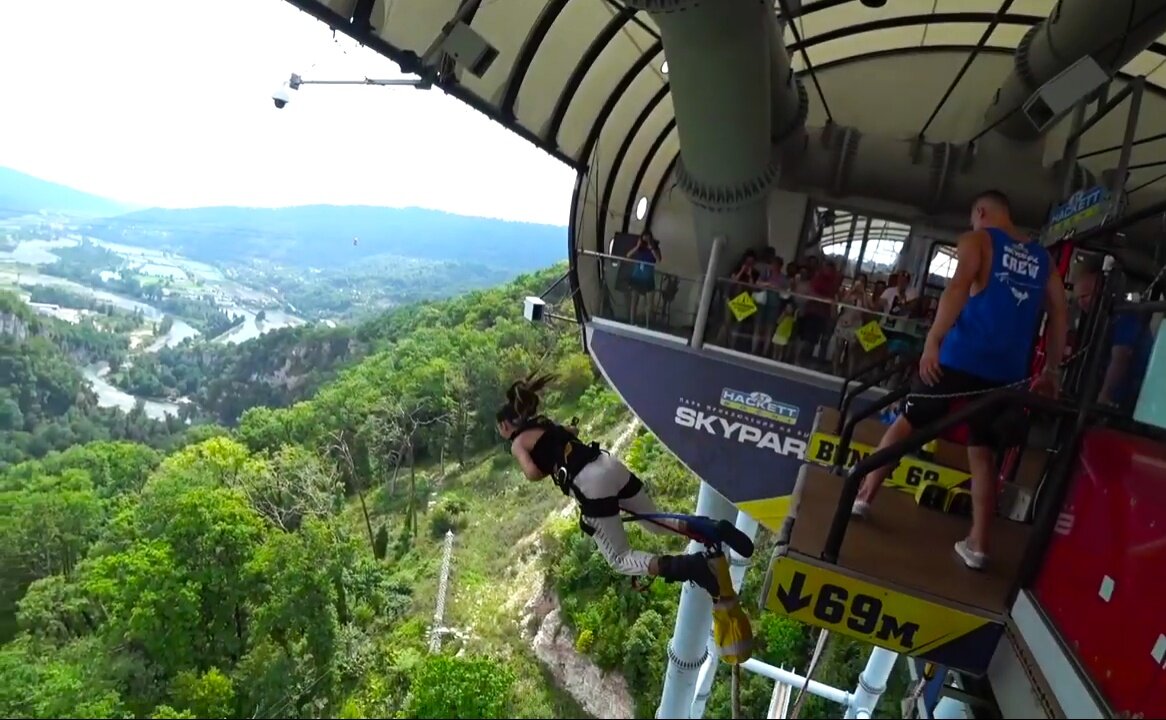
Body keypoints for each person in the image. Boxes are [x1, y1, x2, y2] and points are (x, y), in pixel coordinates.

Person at [851, 190, 1068, 570]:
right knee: (982, 453)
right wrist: (1050, 370)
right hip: (1006, 373)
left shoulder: (978, 241)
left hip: (958, 358)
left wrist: (933, 341)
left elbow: (956, 290)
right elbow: (1059, 316)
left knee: (908, 424)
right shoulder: (1043, 259)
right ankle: (979, 545)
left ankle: (864, 497)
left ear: (981, 212)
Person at [496, 373, 754, 597]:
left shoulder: (518, 442)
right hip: (608, 465)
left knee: (619, 559)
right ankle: (713, 528)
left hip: (589, 485)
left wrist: (546, 463)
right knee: (655, 522)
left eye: (501, 430)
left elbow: (531, 473)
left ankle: (691, 567)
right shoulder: (544, 423)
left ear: (505, 425)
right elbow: (571, 433)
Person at [1072, 255, 1153, 409]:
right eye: (1078, 298)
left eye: (1086, 296)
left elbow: (1121, 357)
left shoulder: (1124, 315)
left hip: (1133, 400)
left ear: (1103, 290)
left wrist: (1104, 395)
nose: (1081, 303)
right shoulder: (1099, 319)